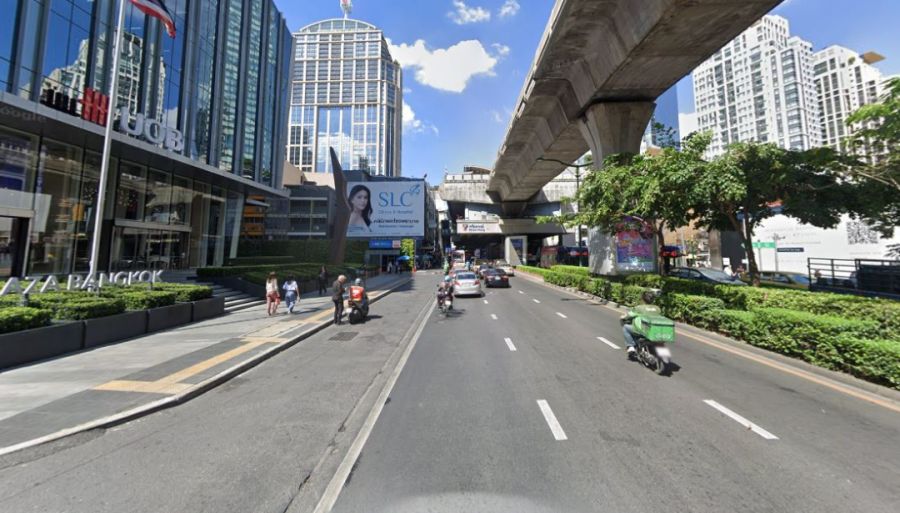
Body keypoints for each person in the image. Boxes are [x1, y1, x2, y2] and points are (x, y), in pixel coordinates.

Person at [620, 290, 662, 359]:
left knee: (625, 327)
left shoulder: (639, 308)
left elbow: (629, 315)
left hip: (643, 330)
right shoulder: (657, 308)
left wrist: (623, 317)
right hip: (654, 330)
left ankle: (630, 346)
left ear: (642, 299)